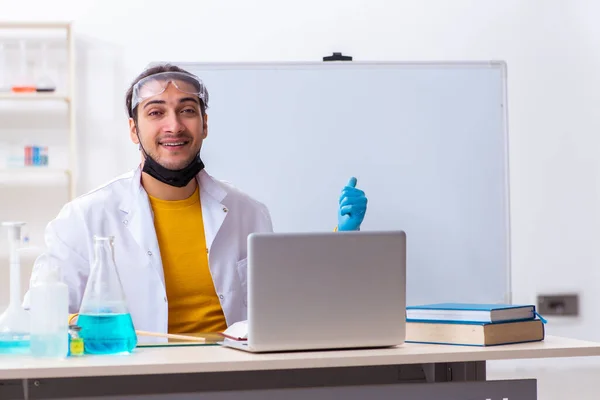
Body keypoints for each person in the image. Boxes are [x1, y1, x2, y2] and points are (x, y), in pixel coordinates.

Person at [26, 64, 369, 335]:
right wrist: (93, 325)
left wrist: (342, 240)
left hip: (234, 379)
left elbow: (284, 308)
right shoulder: (85, 217)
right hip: (132, 378)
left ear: (204, 124)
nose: (173, 126)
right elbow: (37, 314)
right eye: (156, 112)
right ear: (134, 130)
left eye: (187, 111)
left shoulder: (248, 213)